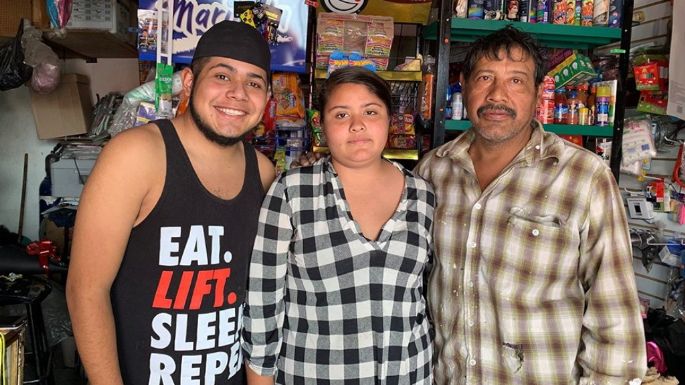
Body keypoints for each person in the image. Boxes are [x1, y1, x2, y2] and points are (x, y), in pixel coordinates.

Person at [414, 26, 647, 384]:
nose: (497, 95)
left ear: (539, 92)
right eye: (485, 77)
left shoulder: (584, 176)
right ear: (464, 83)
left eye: (516, 81)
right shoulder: (432, 170)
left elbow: (614, 316)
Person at [66, 20, 276, 385]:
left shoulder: (262, 172)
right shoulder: (137, 155)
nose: (238, 93)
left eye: (254, 83)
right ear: (190, 83)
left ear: (266, 98)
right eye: (222, 76)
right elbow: (85, 290)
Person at [242, 66, 435, 385]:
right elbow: (263, 304)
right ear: (321, 125)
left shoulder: (423, 195)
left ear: (389, 119)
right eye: (341, 115)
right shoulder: (293, 191)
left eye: (370, 112)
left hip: (410, 374)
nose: (357, 126)